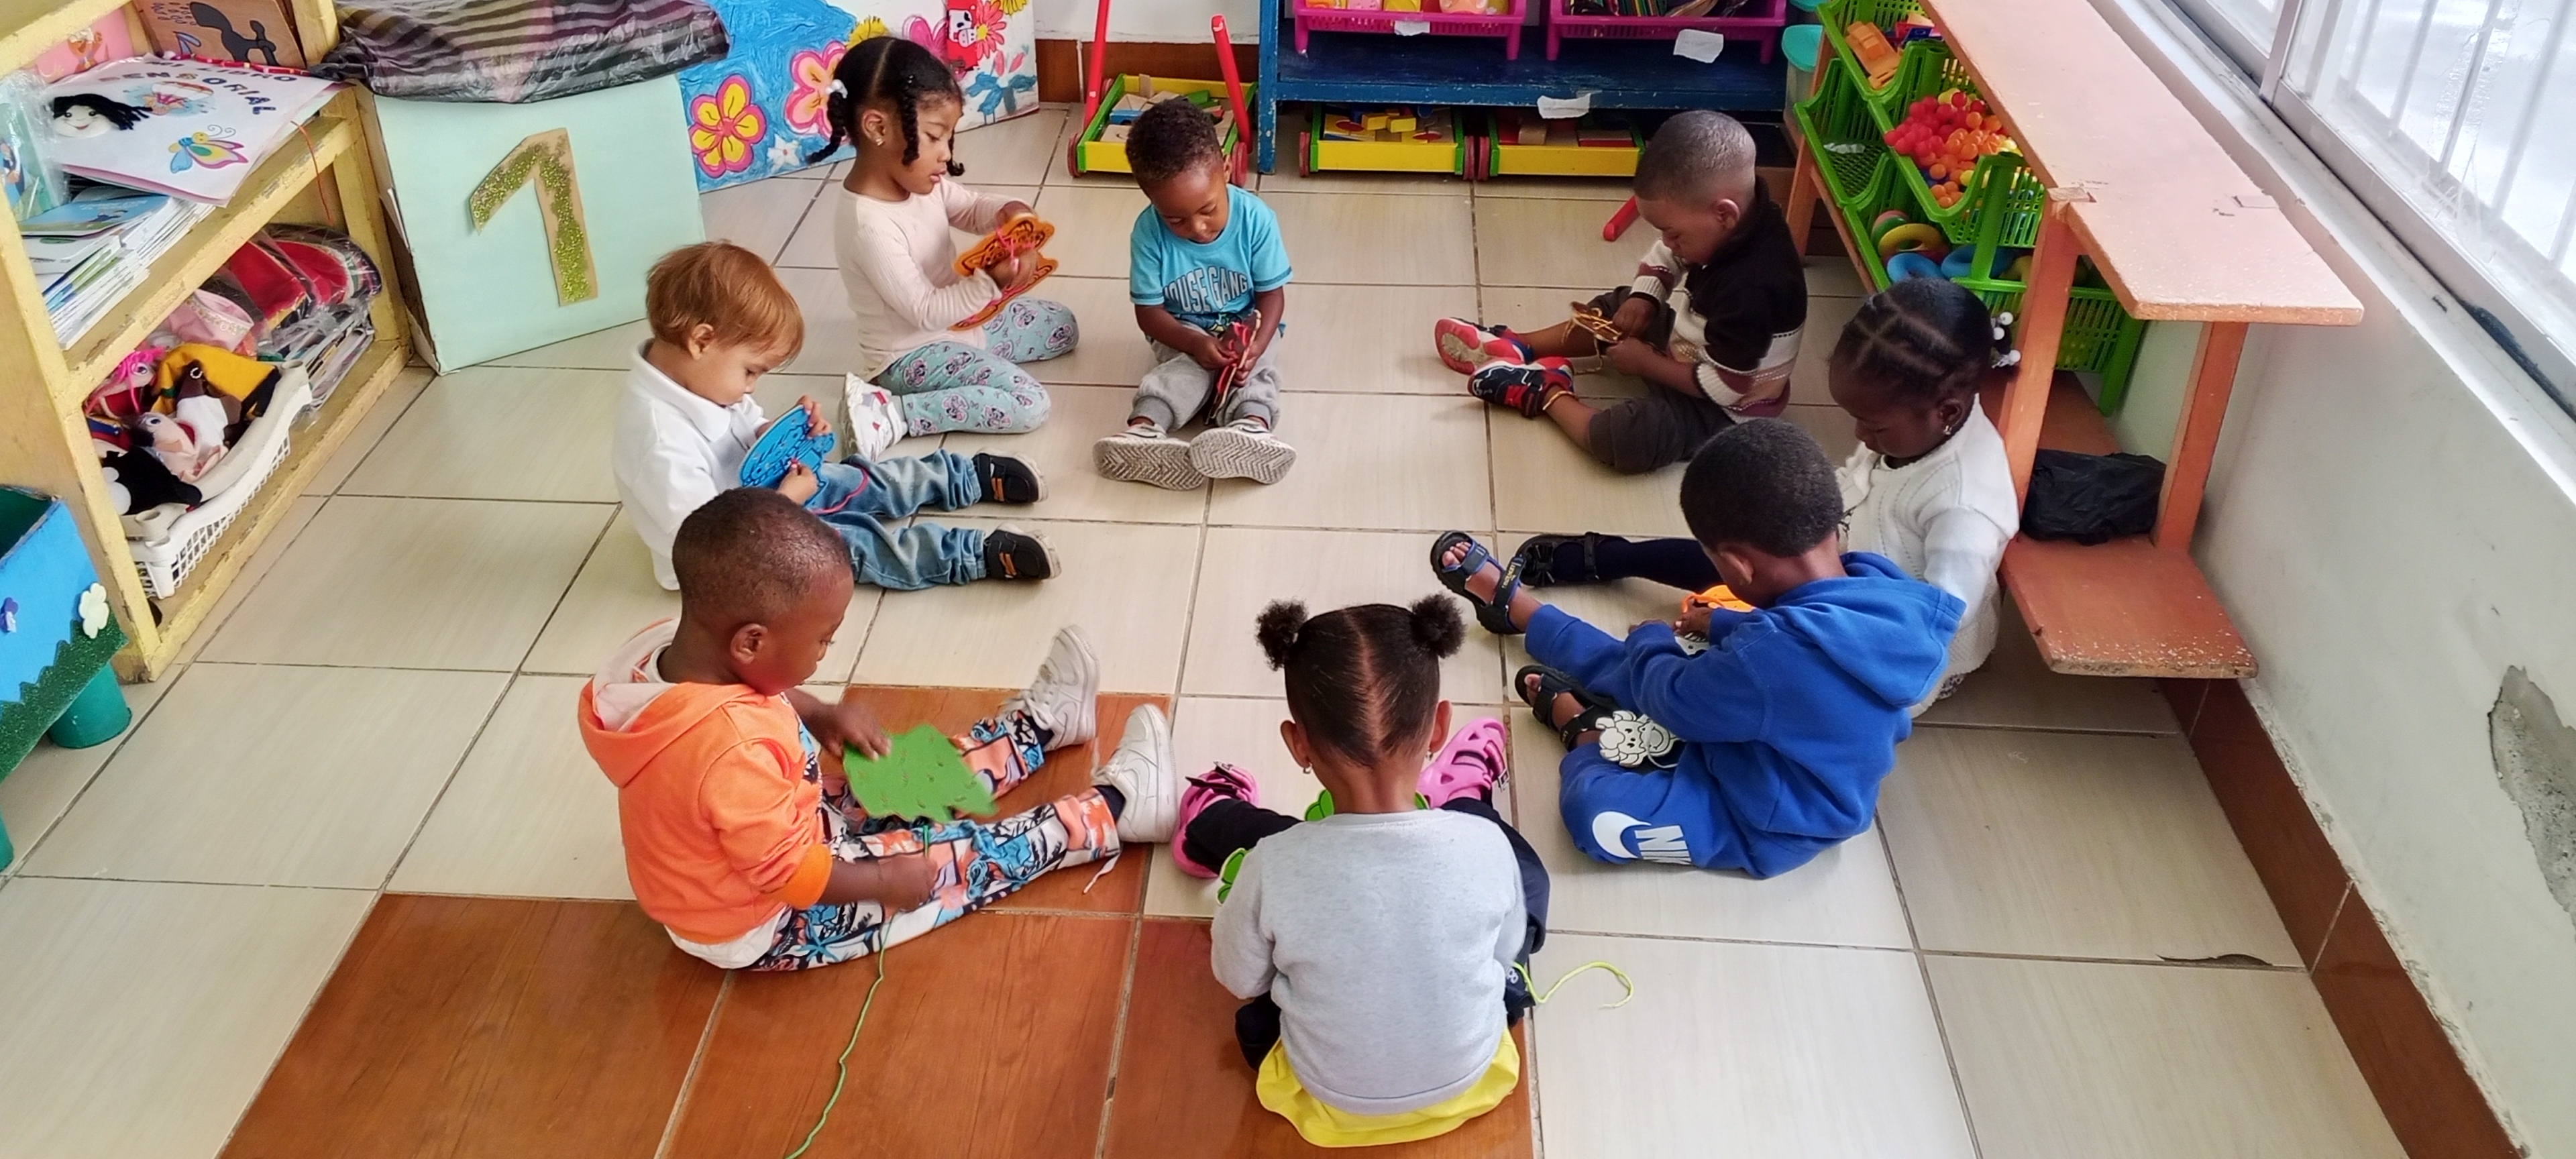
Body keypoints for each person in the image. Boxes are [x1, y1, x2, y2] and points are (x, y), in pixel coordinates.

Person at [577, 488, 1183, 971]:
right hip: (770, 916)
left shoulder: (666, 653)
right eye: (823, 639)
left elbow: (749, 695)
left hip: (779, 830)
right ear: (751, 642)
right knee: (955, 858)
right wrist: (884, 880)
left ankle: (1038, 730)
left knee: (906, 778)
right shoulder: (729, 752)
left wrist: (818, 713)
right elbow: (791, 875)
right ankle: (1117, 810)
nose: (827, 651)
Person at [1431, 420, 1960, 877]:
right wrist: (1723, 624)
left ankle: (1587, 731)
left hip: (1767, 820)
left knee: (1598, 815)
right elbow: (1806, 639)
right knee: (1647, 668)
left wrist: (1651, 638)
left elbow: (1678, 699)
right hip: (1766, 741)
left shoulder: (1768, 657)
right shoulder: (1879, 583)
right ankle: (1521, 613)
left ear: (1738, 567)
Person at [1505, 279, 2021, 712]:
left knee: (1739, 686)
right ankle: (1617, 558)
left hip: (1885, 657)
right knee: (1742, 546)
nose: (1861, 436)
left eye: (1874, 426)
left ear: (1947, 412)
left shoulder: (1966, 508)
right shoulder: (1917, 427)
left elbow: (1925, 636)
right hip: (1841, 579)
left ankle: (1625, 686)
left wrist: (1745, 627)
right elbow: (1854, 487)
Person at [1172, 597, 1546, 1147]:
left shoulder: (1273, 864)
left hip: (1324, 1104)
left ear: (1297, 743)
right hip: (1472, 1083)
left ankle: (1209, 815)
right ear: (1439, 726)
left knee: (1271, 839)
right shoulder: (1485, 846)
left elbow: (1240, 979)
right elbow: (1505, 950)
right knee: (1518, 870)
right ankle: (1466, 794)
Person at [615, 241, 1060, 588]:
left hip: (766, 497)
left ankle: (961, 478)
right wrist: (785, 504)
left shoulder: (701, 379)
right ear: (701, 341)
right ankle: (971, 555)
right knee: (851, 545)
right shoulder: (660, 445)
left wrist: (781, 435)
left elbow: (743, 426)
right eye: (750, 371)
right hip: (733, 556)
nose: (751, 387)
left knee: (859, 478)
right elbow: (709, 545)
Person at [1434, 111, 1807, 475]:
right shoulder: (1727, 222)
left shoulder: (1755, 288)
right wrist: (1644, 298)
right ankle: (1521, 346)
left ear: (1724, 215)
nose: (1667, 242)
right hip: (1693, 348)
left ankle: (1545, 391)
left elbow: (1729, 388)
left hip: (1724, 407)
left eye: (1672, 233)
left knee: (1629, 438)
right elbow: (1667, 256)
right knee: (1618, 306)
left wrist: (1648, 364)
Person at [812, 37, 1071, 441]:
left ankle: (971, 365)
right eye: (934, 137)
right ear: (878, 128)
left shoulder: (919, 183)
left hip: (959, 324)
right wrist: (990, 282)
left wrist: (1010, 212)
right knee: (1029, 403)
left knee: (1062, 326)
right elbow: (927, 312)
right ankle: (891, 415)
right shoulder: (869, 226)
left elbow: (969, 207)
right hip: (909, 356)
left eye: (948, 138)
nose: (946, 154)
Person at [1092, 98, 1296, 490]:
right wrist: (1195, 343)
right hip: (1181, 330)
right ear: (1149, 197)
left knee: (1256, 374)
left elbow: (1272, 296)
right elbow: (1149, 314)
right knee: (1185, 372)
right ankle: (1144, 430)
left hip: (1246, 328)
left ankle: (1251, 428)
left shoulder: (1256, 220)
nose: (1198, 228)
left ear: (1226, 169)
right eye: (1176, 220)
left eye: (1208, 209)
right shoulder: (1148, 234)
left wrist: (1256, 346)